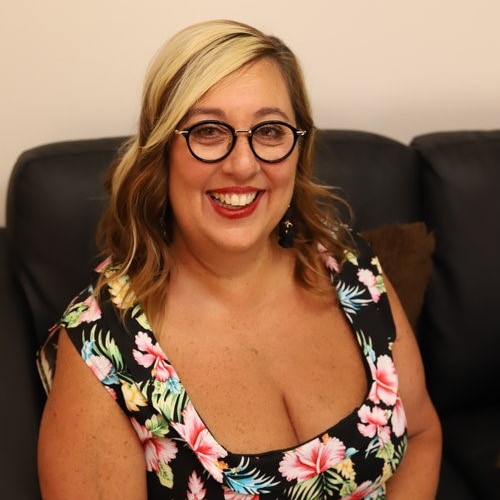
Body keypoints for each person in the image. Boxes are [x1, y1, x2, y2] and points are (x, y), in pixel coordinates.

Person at [36, 19, 441, 499]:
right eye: (209, 130)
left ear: (298, 148)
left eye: (269, 131)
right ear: (161, 152)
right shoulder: (101, 350)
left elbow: (420, 436)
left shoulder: (349, 266)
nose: (243, 164)